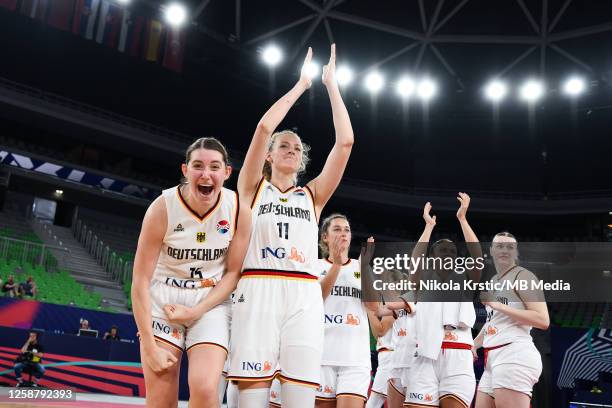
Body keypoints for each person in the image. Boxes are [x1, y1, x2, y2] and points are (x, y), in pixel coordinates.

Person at [228, 43, 354, 408]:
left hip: (304, 293)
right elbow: (265, 125)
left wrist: (332, 85)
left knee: (299, 397)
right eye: (284, 145)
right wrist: (301, 85)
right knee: (250, 397)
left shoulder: (312, 196)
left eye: (297, 148)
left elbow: (345, 143)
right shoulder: (252, 188)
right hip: (258, 285)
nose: (291, 150)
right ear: (269, 154)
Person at [131, 137, 251, 408]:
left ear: (227, 173)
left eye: (214, 167)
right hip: (164, 300)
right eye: (198, 166)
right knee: (161, 396)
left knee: (206, 389)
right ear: (185, 170)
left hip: (211, 301)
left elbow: (233, 274)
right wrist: (149, 346)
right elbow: (140, 279)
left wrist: (196, 311)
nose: (205, 174)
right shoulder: (162, 208)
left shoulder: (239, 210)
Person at [383, 195, 482, 408]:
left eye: (452, 251)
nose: (448, 253)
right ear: (432, 256)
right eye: (442, 250)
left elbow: (477, 256)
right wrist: (428, 227)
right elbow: (415, 261)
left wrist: (463, 219)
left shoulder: (465, 279)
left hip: (458, 352)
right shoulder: (423, 281)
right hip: (426, 354)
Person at [474, 232, 549, 408]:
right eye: (500, 246)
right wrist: (474, 344)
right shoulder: (494, 280)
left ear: (516, 251)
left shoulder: (523, 277)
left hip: (514, 354)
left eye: (510, 246)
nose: (505, 250)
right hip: (492, 357)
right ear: (491, 250)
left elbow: (542, 319)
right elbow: (493, 321)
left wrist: (497, 304)